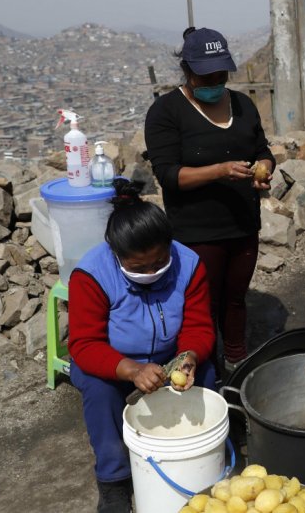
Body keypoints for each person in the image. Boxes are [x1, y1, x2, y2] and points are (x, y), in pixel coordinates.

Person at [68, 179, 217, 513]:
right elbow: (85, 343)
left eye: (159, 262)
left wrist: (189, 357)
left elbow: (198, 325)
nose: (152, 271)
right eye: (138, 268)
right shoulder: (91, 275)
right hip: (111, 361)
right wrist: (131, 369)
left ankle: (200, 456)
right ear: (116, 254)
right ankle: (114, 481)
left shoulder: (188, 264)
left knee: (206, 376)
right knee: (99, 392)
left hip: (170, 356)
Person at [144, 26, 275, 373]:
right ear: (187, 71)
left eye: (221, 74)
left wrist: (265, 165)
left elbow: (262, 148)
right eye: (207, 76)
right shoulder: (166, 112)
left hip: (243, 224)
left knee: (235, 298)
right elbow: (170, 175)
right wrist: (218, 171)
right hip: (197, 232)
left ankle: (236, 359)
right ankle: (206, 370)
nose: (216, 81)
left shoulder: (243, 105)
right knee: (204, 305)